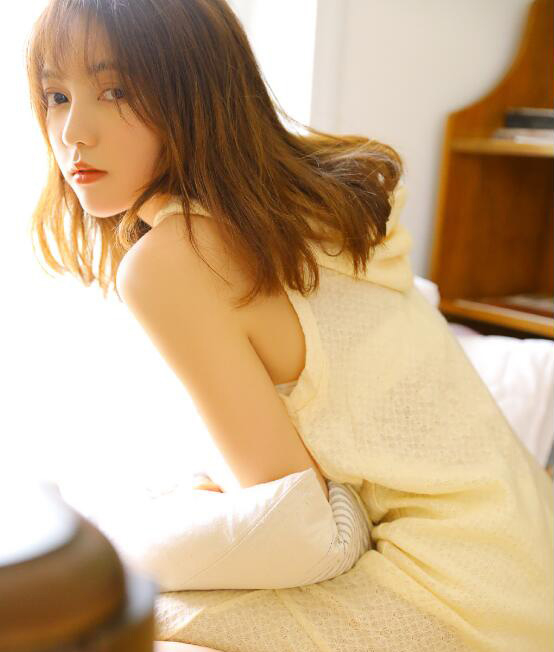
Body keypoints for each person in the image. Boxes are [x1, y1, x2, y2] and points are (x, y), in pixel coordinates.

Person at [25, 1, 553, 651]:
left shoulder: (170, 262)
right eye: (56, 95)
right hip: (529, 557)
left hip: (460, 597)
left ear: (194, 89)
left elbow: (300, 531)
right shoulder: (306, 205)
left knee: (87, 615)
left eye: (116, 91)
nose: (73, 132)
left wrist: (123, 540)